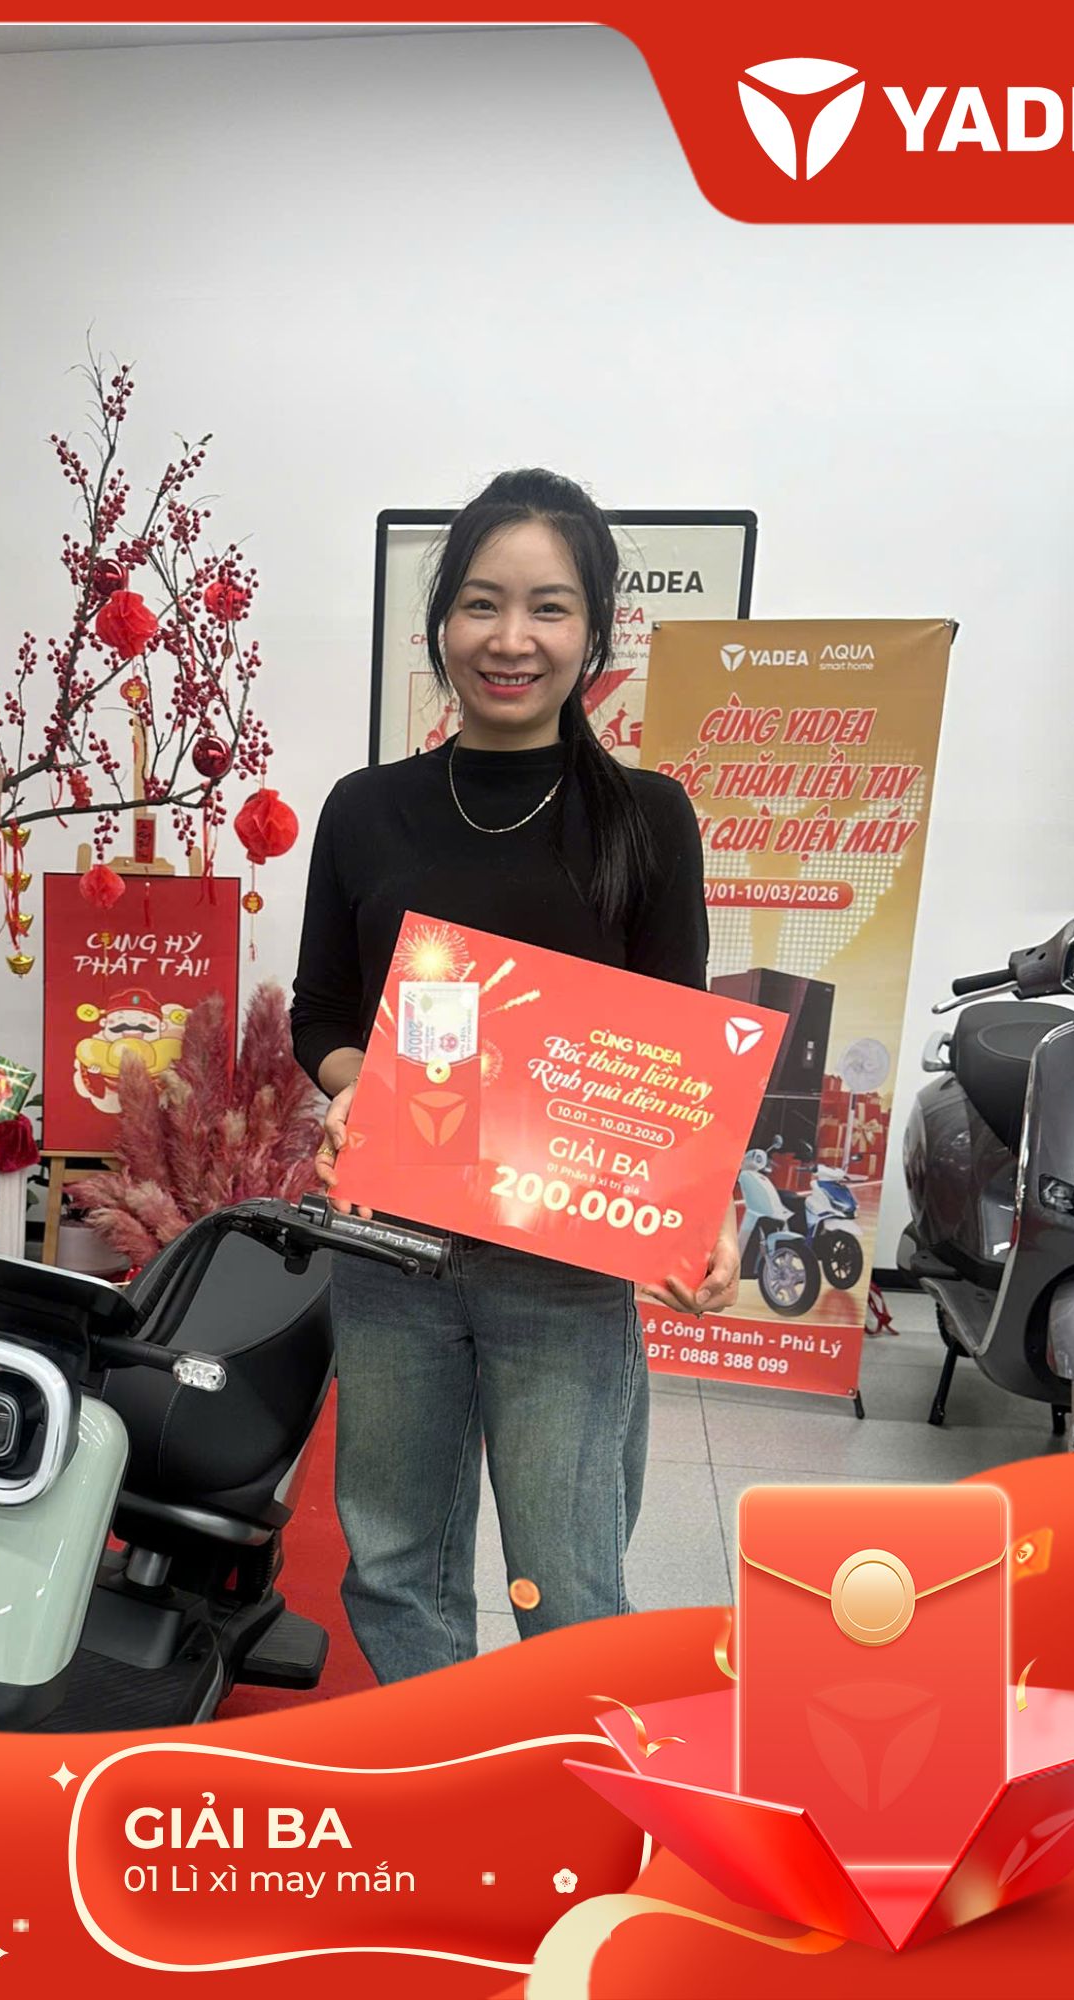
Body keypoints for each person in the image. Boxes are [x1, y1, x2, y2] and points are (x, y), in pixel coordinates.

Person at [288, 467, 739, 1684]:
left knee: (567, 1577)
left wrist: (702, 1203)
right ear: (441, 618)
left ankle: (563, 1778)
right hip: (390, 1248)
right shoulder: (364, 809)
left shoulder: (646, 817)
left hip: (563, 1265)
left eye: (547, 607)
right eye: (481, 602)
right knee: (394, 1560)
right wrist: (354, 1082)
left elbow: (671, 1048)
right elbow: (321, 1012)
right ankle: (439, 1764)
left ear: (593, 631)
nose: (509, 638)